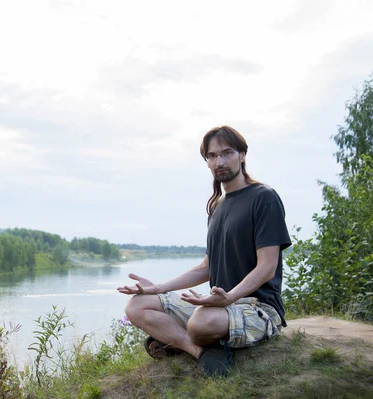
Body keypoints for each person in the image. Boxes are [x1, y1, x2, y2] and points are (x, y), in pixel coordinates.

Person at [118, 126, 292, 377]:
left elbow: (267, 267)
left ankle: (174, 341)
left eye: (227, 153)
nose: (219, 161)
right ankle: (200, 352)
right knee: (136, 305)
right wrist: (158, 288)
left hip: (258, 309)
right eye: (211, 156)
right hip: (219, 307)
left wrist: (230, 297)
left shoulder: (264, 198)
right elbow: (206, 268)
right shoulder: (216, 207)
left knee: (200, 322)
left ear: (242, 155)